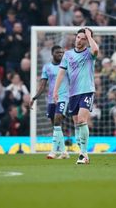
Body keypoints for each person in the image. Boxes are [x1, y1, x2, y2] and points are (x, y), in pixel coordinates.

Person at [53, 28, 99, 165]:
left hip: (87, 91)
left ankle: (84, 154)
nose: (79, 40)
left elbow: (96, 49)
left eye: (83, 38)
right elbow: (61, 73)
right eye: (78, 37)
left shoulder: (89, 53)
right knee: (76, 125)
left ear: (87, 40)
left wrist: (89, 36)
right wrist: (55, 91)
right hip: (72, 93)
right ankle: (82, 152)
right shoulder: (67, 55)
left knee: (81, 120)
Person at [29, 45, 69, 159]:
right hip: (51, 100)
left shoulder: (66, 66)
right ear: (52, 54)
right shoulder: (47, 67)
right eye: (58, 53)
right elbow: (42, 85)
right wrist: (34, 98)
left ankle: (53, 151)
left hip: (63, 98)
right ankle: (64, 152)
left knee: (57, 120)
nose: (60, 54)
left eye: (62, 52)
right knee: (56, 126)